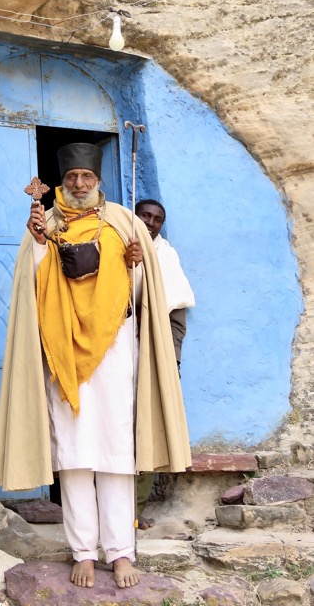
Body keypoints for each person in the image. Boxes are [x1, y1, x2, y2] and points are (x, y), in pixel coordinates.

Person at [0, 144, 191, 589]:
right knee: (76, 453)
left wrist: (138, 264)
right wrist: (41, 243)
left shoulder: (123, 221)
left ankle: (120, 552)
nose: (79, 184)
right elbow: (33, 284)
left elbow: (143, 293)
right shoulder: (45, 222)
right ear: (62, 182)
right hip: (62, 352)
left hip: (117, 349)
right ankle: (82, 550)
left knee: (118, 452)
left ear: (98, 180)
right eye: (72, 177)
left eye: (87, 176)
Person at [134, 199, 196, 529]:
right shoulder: (119, 247)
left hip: (156, 353)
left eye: (157, 219)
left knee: (151, 429)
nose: (151, 222)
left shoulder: (165, 256)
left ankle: (134, 509)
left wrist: (170, 361)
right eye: (145, 215)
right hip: (119, 355)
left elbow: (176, 317)